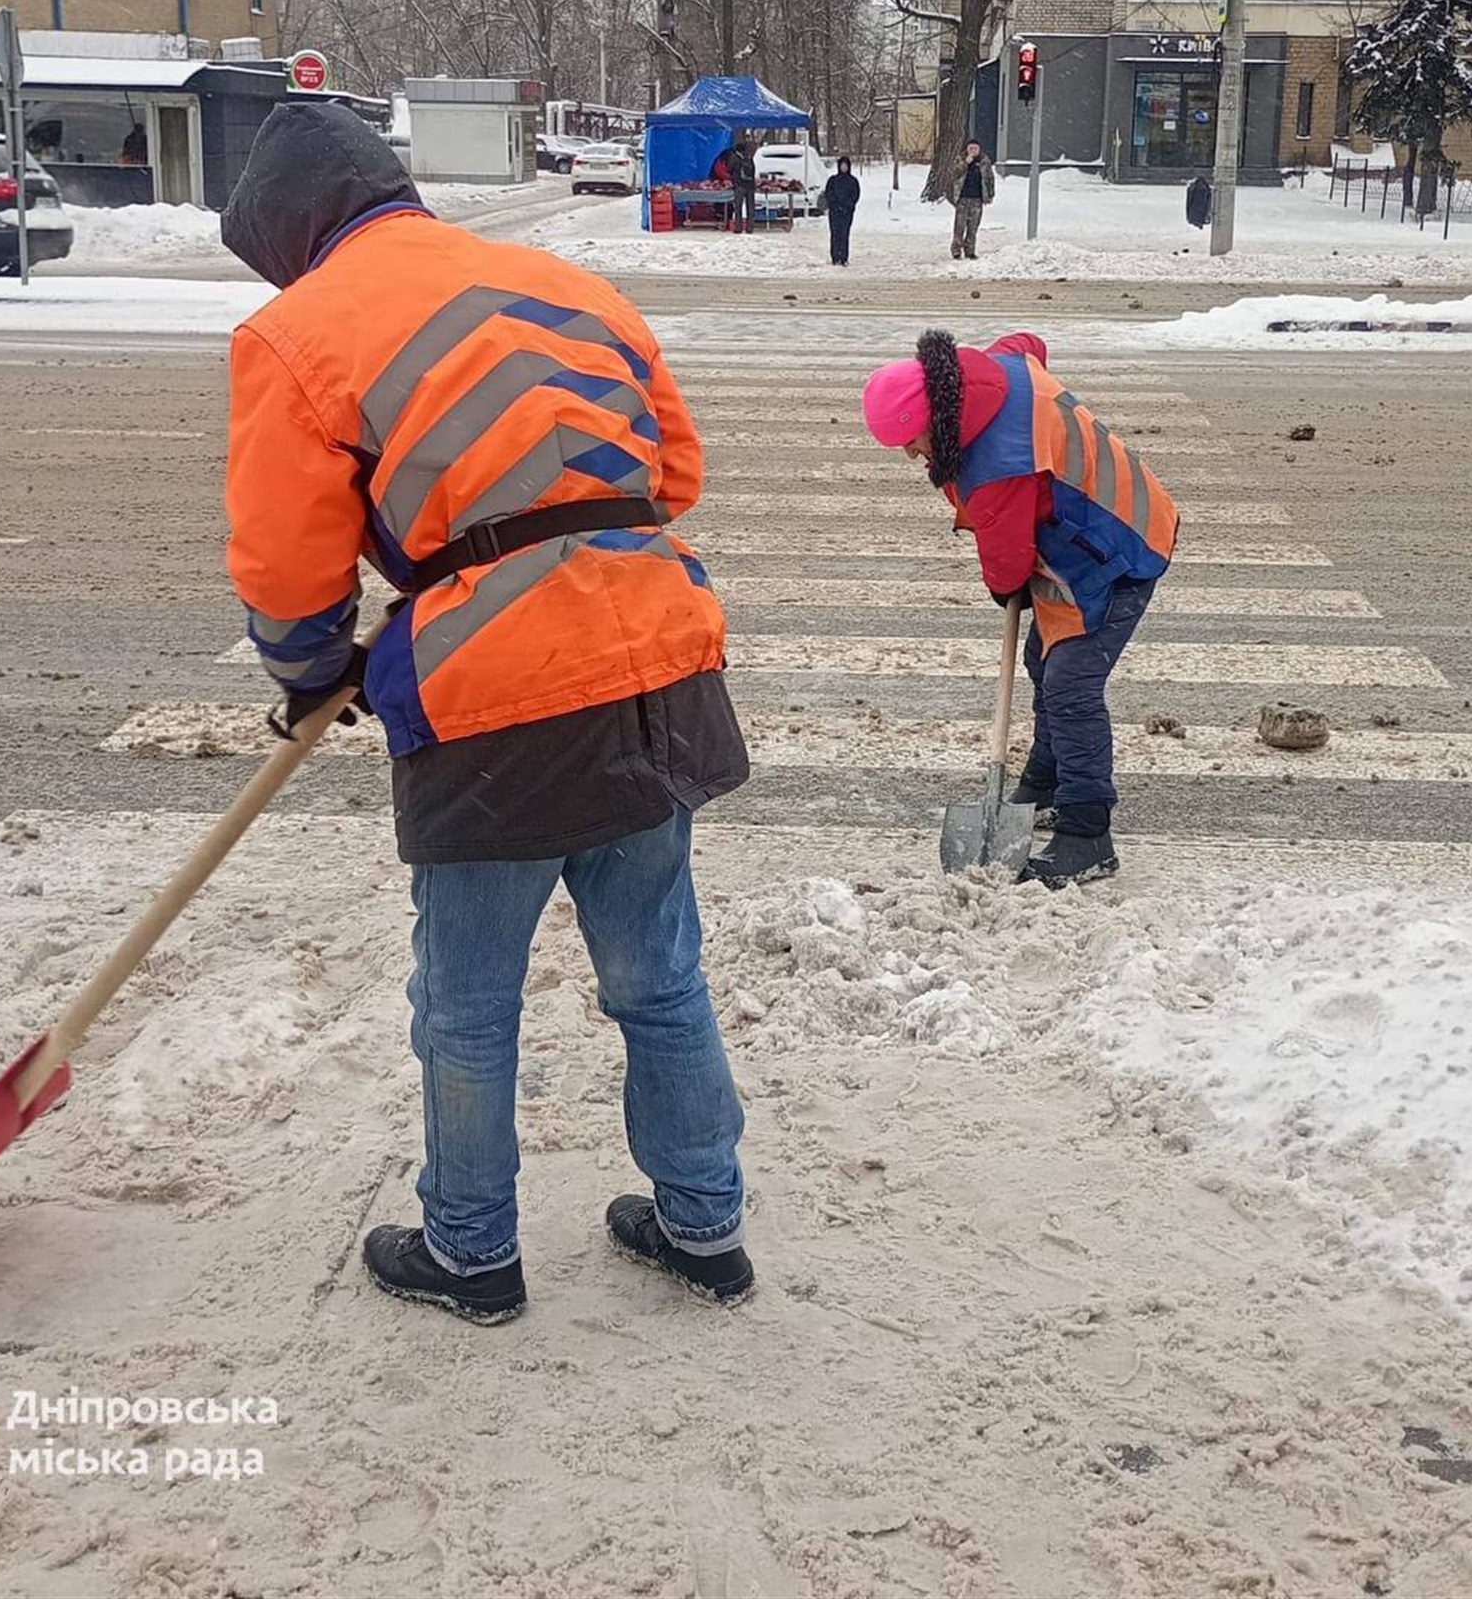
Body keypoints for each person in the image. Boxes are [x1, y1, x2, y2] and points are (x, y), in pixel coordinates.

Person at [221, 99, 754, 1323]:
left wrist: (311, 672)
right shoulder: (564, 283)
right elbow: (673, 475)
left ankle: (471, 1250)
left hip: (497, 696)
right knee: (658, 978)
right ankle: (704, 1224)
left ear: (289, 233)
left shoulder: (298, 332)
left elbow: (284, 559)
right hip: (656, 661)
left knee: (466, 1005)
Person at [861, 329, 1179, 888]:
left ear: (935, 417)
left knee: (1071, 685)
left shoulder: (997, 466)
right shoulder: (987, 372)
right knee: (1042, 664)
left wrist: (1003, 588)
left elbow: (1006, 565)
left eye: (912, 440)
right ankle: (1047, 778)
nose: (911, 455)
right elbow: (1029, 344)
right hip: (1082, 540)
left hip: (1117, 551)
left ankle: (1087, 833)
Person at [946, 139, 995, 260]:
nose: (973, 151)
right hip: (963, 198)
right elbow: (953, 174)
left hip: (977, 199)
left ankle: (970, 250)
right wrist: (965, 164)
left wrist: (990, 194)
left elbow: (990, 179)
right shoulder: (960, 159)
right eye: (971, 148)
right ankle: (956, 250)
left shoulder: (984, 161)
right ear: (967, 149)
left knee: (973, 227)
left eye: (975, 148)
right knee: (959, 227)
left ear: (979, 149)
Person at [824, 155, 860, 266]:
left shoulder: (853, 181)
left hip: (847, 212)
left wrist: (847, 205)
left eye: (845, 165)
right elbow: (828, 194)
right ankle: (835, 257)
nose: (844, 167)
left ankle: (844, 257)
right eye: (842, 165)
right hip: (834, 212)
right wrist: (835, 204)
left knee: (844, 234)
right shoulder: (833, 180)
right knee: (835, 234)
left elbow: (855, 195)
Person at [725, 136, 758, 234]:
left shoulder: (735, 157)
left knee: (738, 207)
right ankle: (750, 227)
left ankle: (738, 228)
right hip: (750, 186)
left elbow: (729, 169)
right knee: (750, 207)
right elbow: (753, 172)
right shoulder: (749, 158)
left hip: (739, 185)